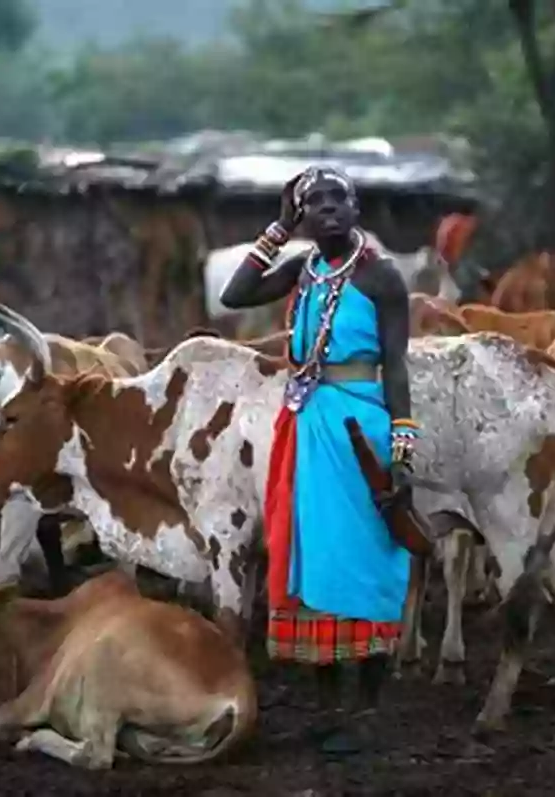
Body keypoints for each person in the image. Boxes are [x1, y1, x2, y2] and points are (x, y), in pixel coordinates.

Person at [220, 166, 419, 755]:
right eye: (313, 203)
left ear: (356, 209)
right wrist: (278, 228)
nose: (327, 208)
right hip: (306, 428)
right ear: (302, 217)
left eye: (338, 199)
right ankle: (331, 709)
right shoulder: (301, 271)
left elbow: (397, 367)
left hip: (361, 427)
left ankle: (370, 709)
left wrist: (402, 451)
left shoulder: (382, 278)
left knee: (368, 561)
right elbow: (234, 295)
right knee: (311, 559)